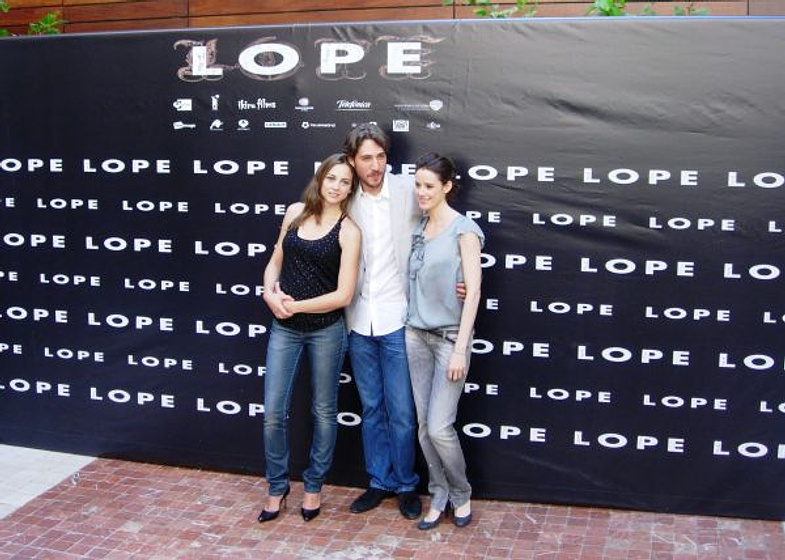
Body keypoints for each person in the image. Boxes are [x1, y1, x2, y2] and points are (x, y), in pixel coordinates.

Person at [258, 153, 361, 523]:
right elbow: (275, 260)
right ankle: (276, 486)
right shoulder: (295, 212)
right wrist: (270, 294)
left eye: (344, 182)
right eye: (331, 178)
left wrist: (295, 305)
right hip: (284, 326)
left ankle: (314, 485)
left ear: (351, 189)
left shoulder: (349, 230)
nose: (336, 186)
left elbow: (343, 295)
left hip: (326, 331)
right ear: (320, 178)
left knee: (324, 412)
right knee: (273, 412)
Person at [342, 123, 423, 520]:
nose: (375, 166)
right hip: (359, 319)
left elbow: (444, 223)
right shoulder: (344, 198)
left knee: (402, 410)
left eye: (380, 156)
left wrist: (459, 277)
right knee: (371, 407)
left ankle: (407, 484)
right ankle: (379, 481)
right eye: (366, 159)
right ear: (353, 162)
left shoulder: (409, 191)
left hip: (398, 318)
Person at [405, 152, 484, 530]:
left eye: (429, 186)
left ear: (447, 187)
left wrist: (460, 348)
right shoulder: (419, 227)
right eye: (418, 185)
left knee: (439, 426)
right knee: (423, 426)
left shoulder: (464, 230)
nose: (421, 192)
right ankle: (438, 492)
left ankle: (461, 493)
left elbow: (475, 292)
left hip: (450, 338)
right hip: (414, 336)